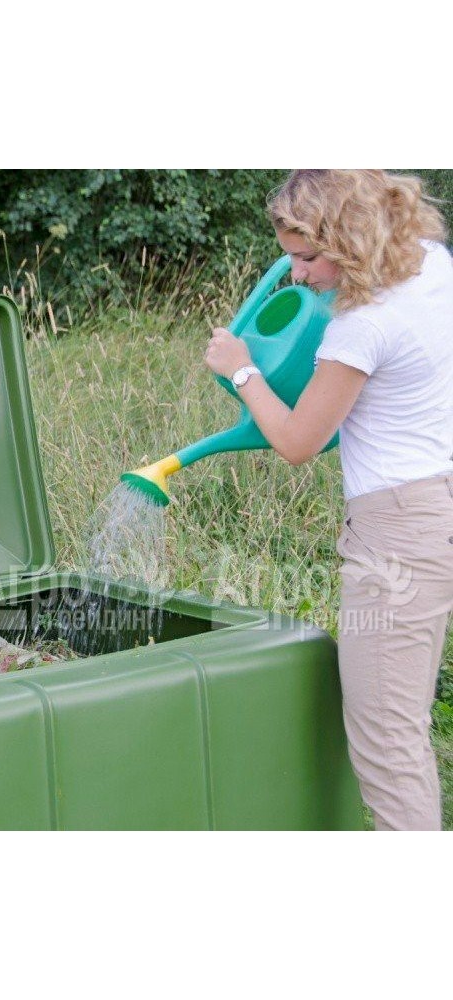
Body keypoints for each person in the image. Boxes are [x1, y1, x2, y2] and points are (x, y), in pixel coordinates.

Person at [204, 169, 453, 831]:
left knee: (387, 743)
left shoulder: (362, 327)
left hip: (397, 537)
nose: (298, 274)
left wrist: (241, 369)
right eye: (290, 255)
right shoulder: (433, 264)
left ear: (353, 238)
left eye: (310, 257)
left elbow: (296, 441)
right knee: (404, 722)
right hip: (437, 501)